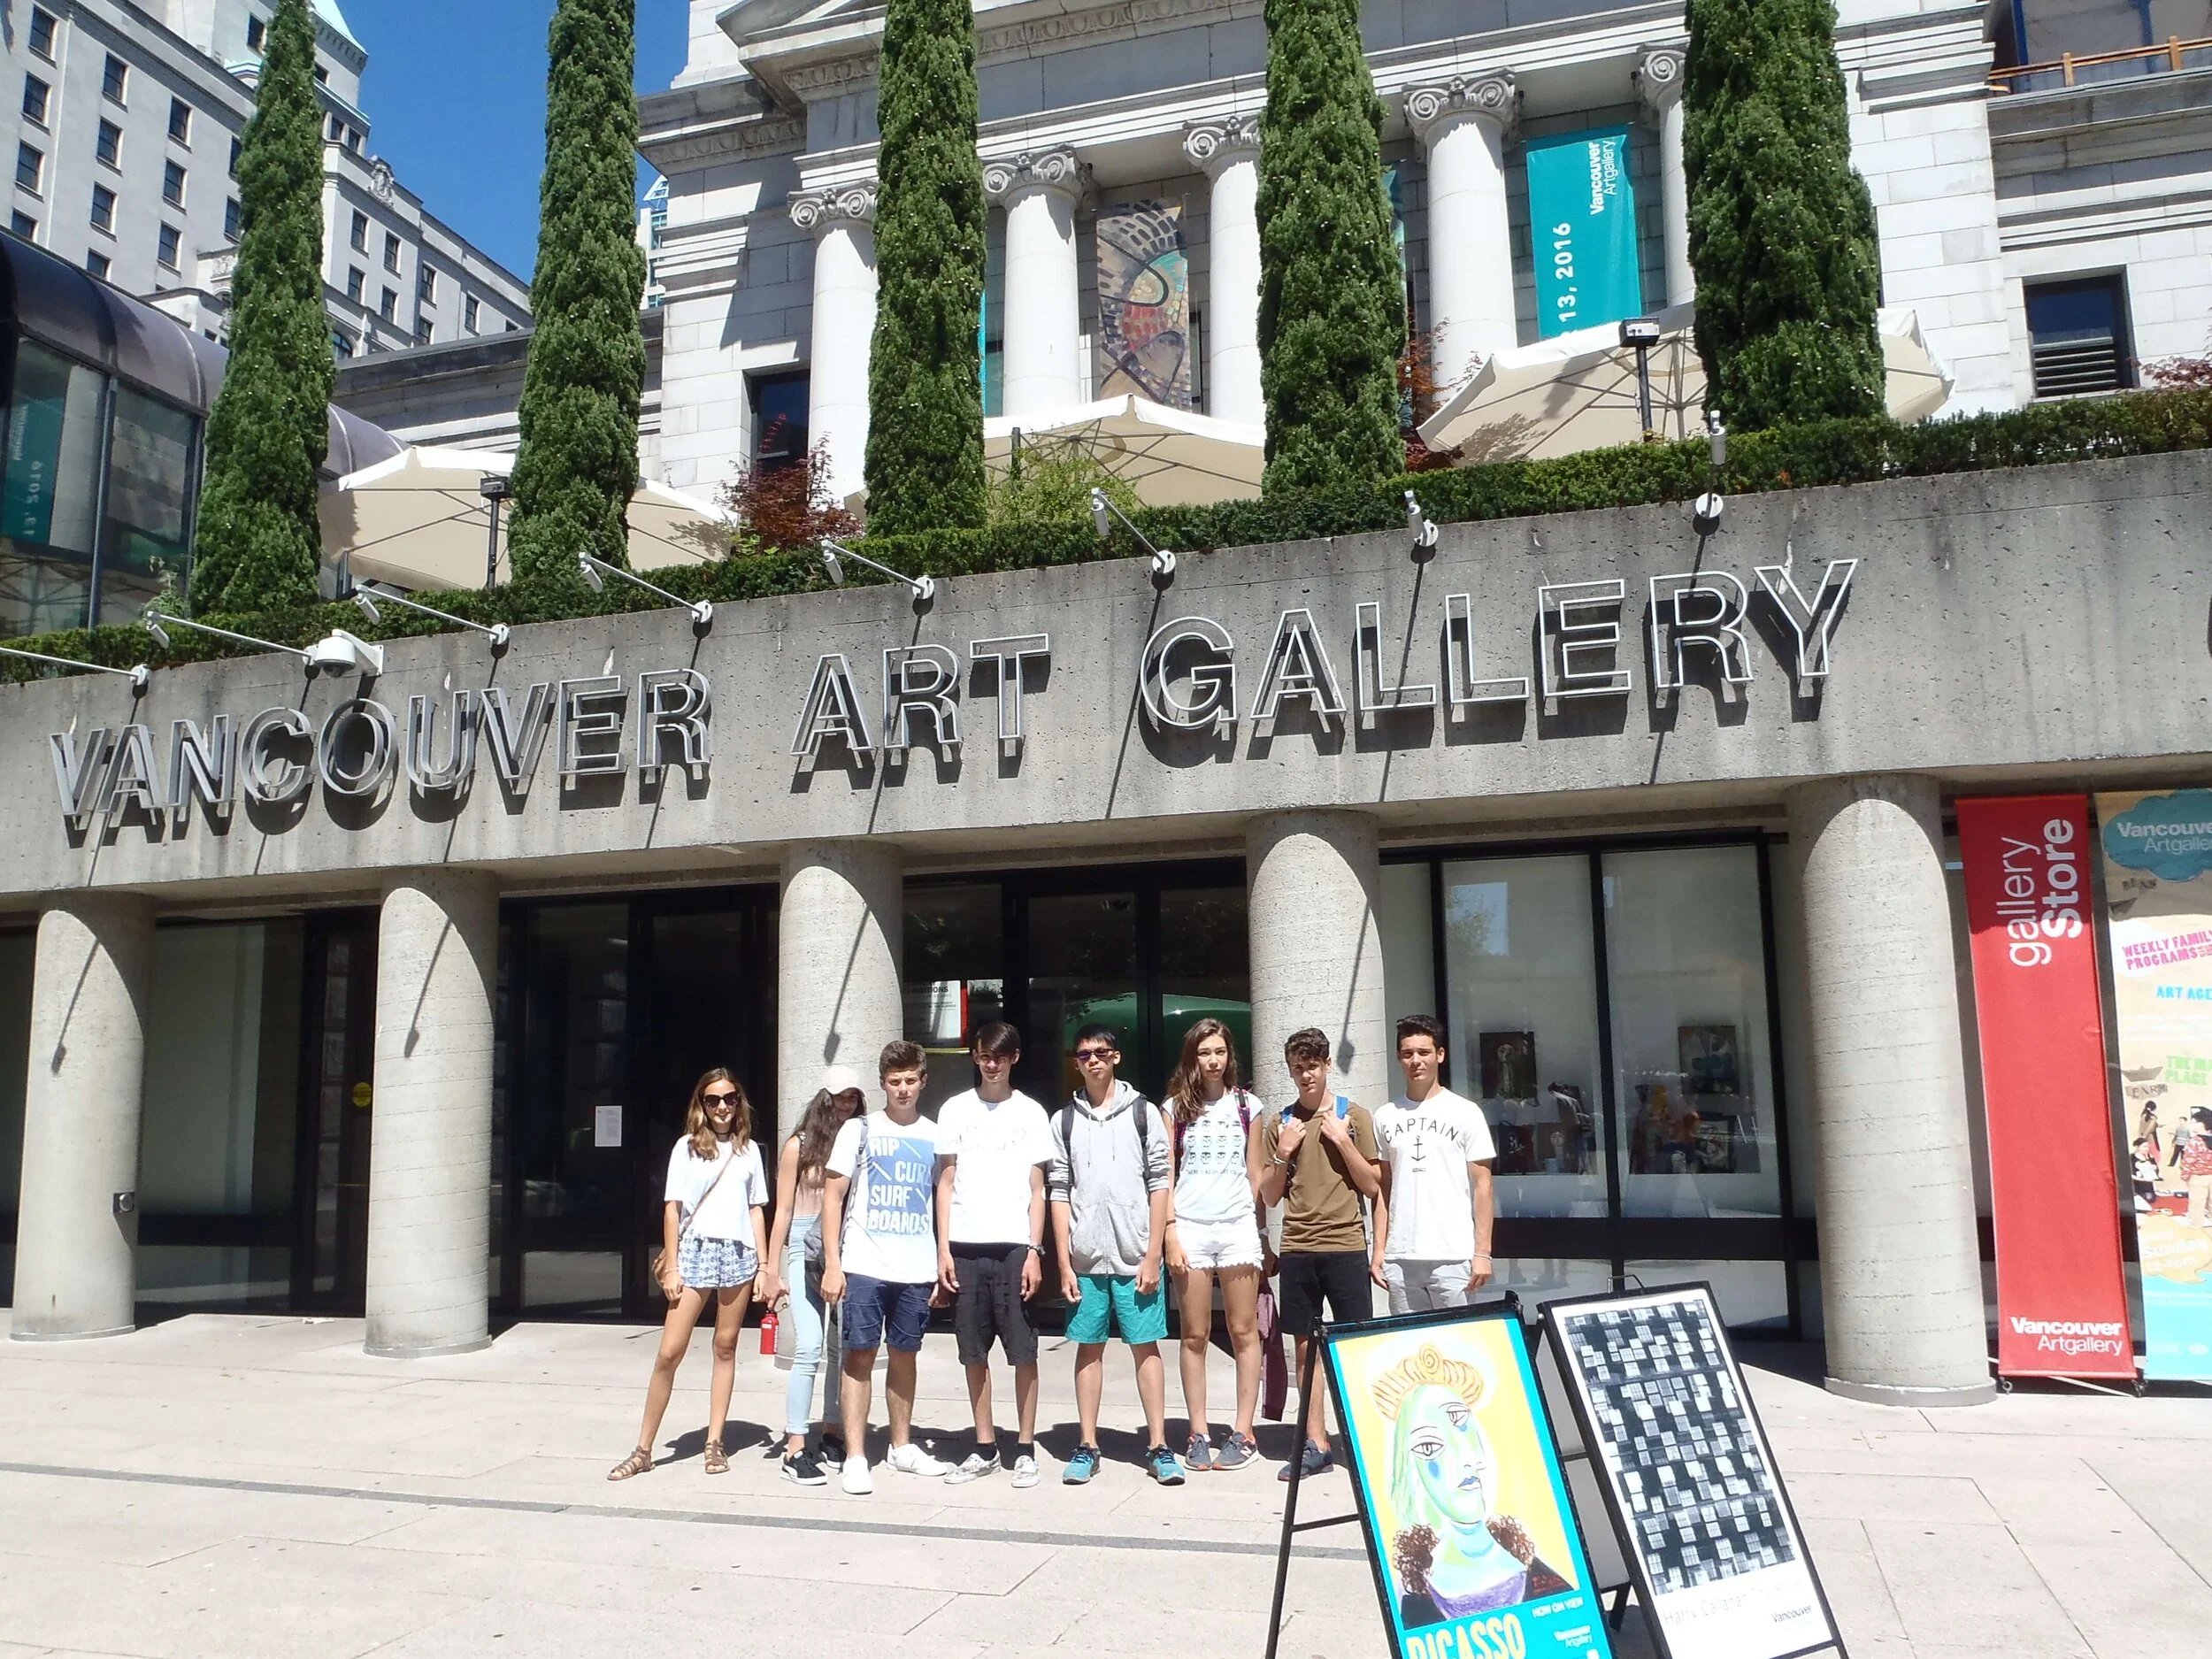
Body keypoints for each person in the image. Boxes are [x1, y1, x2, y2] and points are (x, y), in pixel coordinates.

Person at [608, 1068, 770, 1482]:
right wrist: (673, 1265)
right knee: (669, 1352)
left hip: (738, 1253)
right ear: (701, 1104)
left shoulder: (749, 1151)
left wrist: (766, 1266)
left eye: (729, 1099)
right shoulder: (686, 1148)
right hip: (695, 1251)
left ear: (739, 1102)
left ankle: (715, 1442)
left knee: (726, 1345)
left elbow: (756, 1210)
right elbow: (672, 1208)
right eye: (712, 1100)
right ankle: (644, 1448)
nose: (721, 1107)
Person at [1048, 1022, 1183, 1486]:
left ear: (1116, 1057)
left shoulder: (1143, 1113)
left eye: (1101, 1052)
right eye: (1084, 1054)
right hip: (1086, 1260)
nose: (1093, 1061)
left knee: (1146, 1349)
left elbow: (1161, 1182)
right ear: (1077, 1062)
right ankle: (1087, 1444)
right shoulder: (1063, 1120)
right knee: (1088, 1349)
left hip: (1135, 1255)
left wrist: (1153, 1255)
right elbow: (1059, 1190)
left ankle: (1158, 1445)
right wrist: (1064, 1261)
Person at [821, 1040, 953, 1494]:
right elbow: (833, 1196)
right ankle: (855, 1455)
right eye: (894, 1082)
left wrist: (942, 1257)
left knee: (905, 1354)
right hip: (863, 1262)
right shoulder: (859, 1130)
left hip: (915, 1265)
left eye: (910, 1081)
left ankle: (901, 1446)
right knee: (858, 1356)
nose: (902, 1089)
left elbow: (944, 1197)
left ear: (922, 1081)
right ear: (882, 1084)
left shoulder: (935, 1134)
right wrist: (834, 1264)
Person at [1258, 1025, 1383, 1483]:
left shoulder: (1355, 1116)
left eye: (1312, 1066)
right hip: (1298, 1248)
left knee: (1353, 1347)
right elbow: (1271, 1196)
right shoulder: (1281, 1125)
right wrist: (1284, 1154)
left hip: (1347, 1245)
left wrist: (1343, 1140)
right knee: (1306, 1348)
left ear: (1327, 1064)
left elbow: (1372, 1186)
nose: (1306, 1075)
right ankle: (1315, 1442)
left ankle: (1366, 1439)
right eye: (1297, 1068)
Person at [933, 1020, 1053, 1488]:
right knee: (973, 1351)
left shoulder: (1031, 1113)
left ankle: (1024, 1448)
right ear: (975, 1057)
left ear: (1014, 1058)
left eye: (1000, 1056)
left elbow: (1038, 1188)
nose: (992, 1063)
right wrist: (942, 1248)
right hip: (965, 1246)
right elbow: (944, 1182)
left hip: (1014, 1246)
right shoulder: (954, 1110)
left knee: (1023, 1351)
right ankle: (984, 1446)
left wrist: (1034, 1249)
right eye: (985, 1055)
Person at [1161, 1017, 1266, 1472]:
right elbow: (1163, 1174)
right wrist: (1168, 1231)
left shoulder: (1248, 1106)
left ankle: (1243, 1431)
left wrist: (1261, 1234)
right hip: (1191, 1227)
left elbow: (1256, 1174)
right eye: (1204, 1052)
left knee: (1244, 1331)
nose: (1212, 1060)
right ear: (1192, 1057)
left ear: (1229, 1056)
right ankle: (1198, 1431)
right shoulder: (1173, 1109)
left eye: (1219, 1051)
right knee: (1195, 1334)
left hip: (1238, 1226)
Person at [759, 1065, 867, 1486]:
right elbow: (782, 1210)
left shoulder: (861, 1139)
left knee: (842, 1348)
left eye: (853, 1097)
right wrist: (770, 1269)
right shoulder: (799, 1146)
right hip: (805, 1243)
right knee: (808, 1346)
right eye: (839, 1096)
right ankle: (795, 1446)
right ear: (824, 1097)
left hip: (845, 1244)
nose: (845, 1104)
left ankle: (832, 1432)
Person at [1371, 1015, 1496, 1313]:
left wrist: (1483, 1252)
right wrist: (1379, 1251)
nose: (1416, 1061)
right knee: (1410, 1350)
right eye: (1408, 1054)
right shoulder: (1385, 1116)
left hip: (1452, 1255)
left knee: (1458, 1344)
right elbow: (1383, 1190)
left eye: (1424, 1052)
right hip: (1400, 1257)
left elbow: (1483, 1186)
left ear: (1440, 1055)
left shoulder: (1465, 1112)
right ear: (1399, 1059)